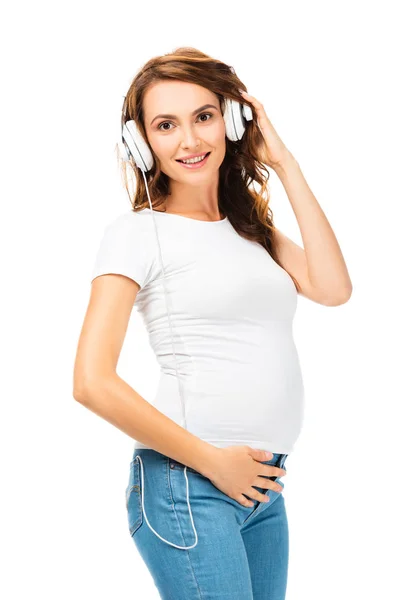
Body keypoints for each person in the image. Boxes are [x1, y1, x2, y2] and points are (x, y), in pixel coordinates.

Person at [73, 47, 352, 600]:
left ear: (231, 119)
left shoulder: (252, 231)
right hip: (189, 485)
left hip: (261, 488)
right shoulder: (136, 233)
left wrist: (284, 163)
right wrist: (213, 465)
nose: (190, 140)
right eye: (165, 125)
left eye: (203, 116)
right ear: (142, 142)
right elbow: (91, 382)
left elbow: (334, 288)